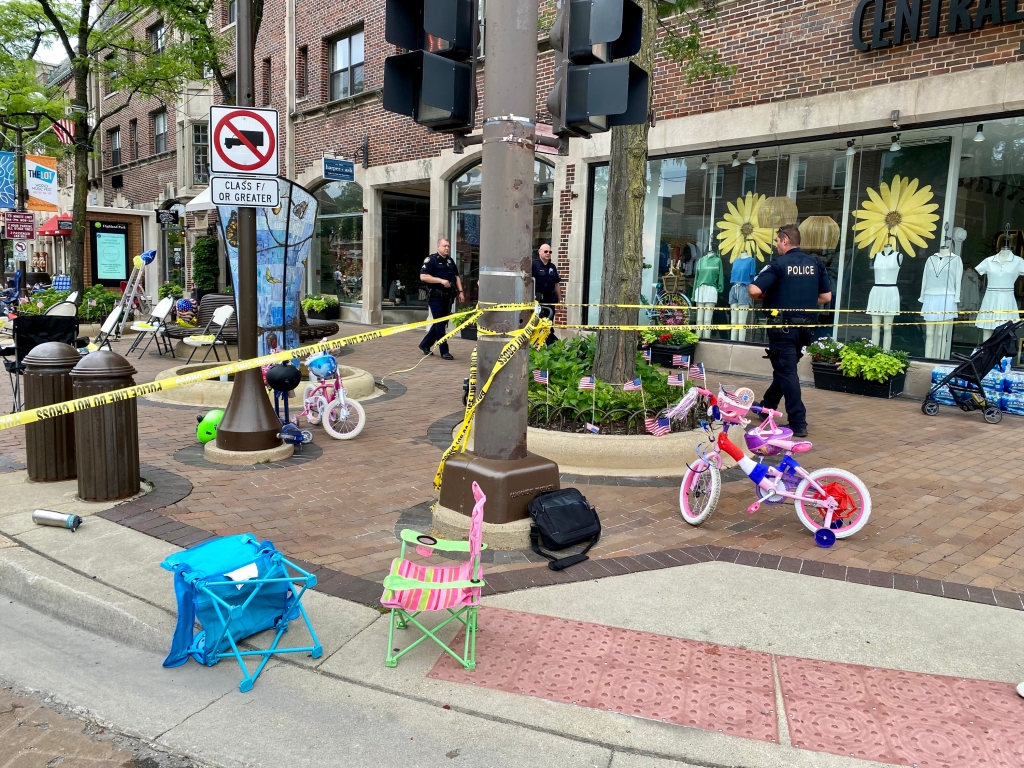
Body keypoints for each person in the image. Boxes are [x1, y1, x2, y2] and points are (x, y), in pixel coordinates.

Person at [748, 224, 831, 438]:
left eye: (777, 241)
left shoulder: (778, 264)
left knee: (787, 372)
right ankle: (767, 404)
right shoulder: (816, 263)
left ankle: (798, 420)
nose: (776, 245)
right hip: (805, 329)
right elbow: (825, 298)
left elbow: (754, 289)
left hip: (782, 328)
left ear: (785, 241)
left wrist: (767, 296)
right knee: (786, 369)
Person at [419, 238, 464, 360]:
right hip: (435, 296)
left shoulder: (450, 261)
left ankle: (425, 344)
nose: (447, 248)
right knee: (440, 322)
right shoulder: (431, 260)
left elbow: (456, 277)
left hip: (448, 297)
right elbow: (423, 276)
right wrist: (440, 280)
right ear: (438, 247)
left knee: (442, 322)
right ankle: (444, 350)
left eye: (448, 246)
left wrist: (461, 292)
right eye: (444, 246)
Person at [531, 243, 561, 345]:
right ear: (539, 252)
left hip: (550, 300)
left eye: (550, 252)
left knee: (549, 324)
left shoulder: (552, 267)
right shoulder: (534, 265)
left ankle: (550, 345)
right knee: (539, 324)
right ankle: (551, 344)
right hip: (538, 301)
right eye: (546, 251)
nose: (548, 254)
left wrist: (560, 300)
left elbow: (557, 284)